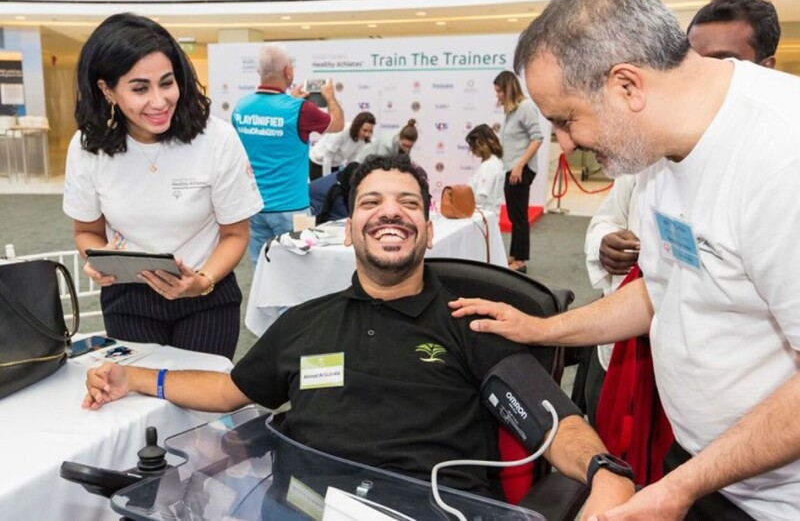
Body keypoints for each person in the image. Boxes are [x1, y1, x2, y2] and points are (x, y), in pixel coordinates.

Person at [83, 154, 635, 515]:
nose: (389, 213)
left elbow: (551, 420)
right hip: (304, 506)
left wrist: (603, 472)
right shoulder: (305, 321)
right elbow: (229, 392)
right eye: (371, 203)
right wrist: (134, 376)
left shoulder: (472, 319)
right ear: (348, 230)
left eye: (408, 204)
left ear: (427, 228)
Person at [451, 0, 800, 521]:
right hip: (704, 463)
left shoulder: (782, 159)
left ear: (626, 86)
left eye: (566, 120)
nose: (564, 144)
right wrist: (542, 329)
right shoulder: (656, 144)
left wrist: (680, 488)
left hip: (776, 496)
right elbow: (662, 289)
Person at [577, 0, 783, 434]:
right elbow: (613, 224)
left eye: (723, 62)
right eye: (693, 60)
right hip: (648, 362)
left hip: (750, 439)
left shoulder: (779, 163)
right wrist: (604, 244)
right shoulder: (652, 149)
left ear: (764, 69)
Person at [62, 13, 263, 360]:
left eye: (167, 83)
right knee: (138, 401)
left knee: (202, 406)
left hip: (206, 296)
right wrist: (98, 258)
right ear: (107, 90)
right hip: (129, 299)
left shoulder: (216, 138)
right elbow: (86, 231)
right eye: (140, 88)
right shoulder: (88, 147)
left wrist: (202, 281)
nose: (159, 101)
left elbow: (235, 235)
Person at [232, 42, 344, 263]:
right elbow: (338, 124)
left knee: (262, 268)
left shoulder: (241, 107)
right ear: (288, 71)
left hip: (254, 208)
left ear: (259, 72)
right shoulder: (301, 110)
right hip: (294, 210)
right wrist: (330, 97)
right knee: (301, 268)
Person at [493, 70, 544, 274]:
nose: (497, 95)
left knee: (519, 216)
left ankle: (520, 260)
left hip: (520, 171)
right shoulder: (512, 110)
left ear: (508, 88)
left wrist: (520, 165)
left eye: (499, 91)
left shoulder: (525, 108)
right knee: (515, 216)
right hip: (512, 169)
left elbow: (537, 138)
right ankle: (515, 255)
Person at [308, 111, 375, 180]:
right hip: (318, 162)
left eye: (370, 131)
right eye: (365, 130)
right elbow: (328, 156)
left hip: (335, 164)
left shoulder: (363, 138)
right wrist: (326, 179)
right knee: (324, 187)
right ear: (357, 126)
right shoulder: (342, 131)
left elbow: (351, 159)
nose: (367, 134)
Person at [465, 123, 505, 215]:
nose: (471, 150)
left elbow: (481, 196)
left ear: (480, 144)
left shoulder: (488, 166)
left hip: (483, 216)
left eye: (472, 146)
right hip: (489, 215)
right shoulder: (495, 161)